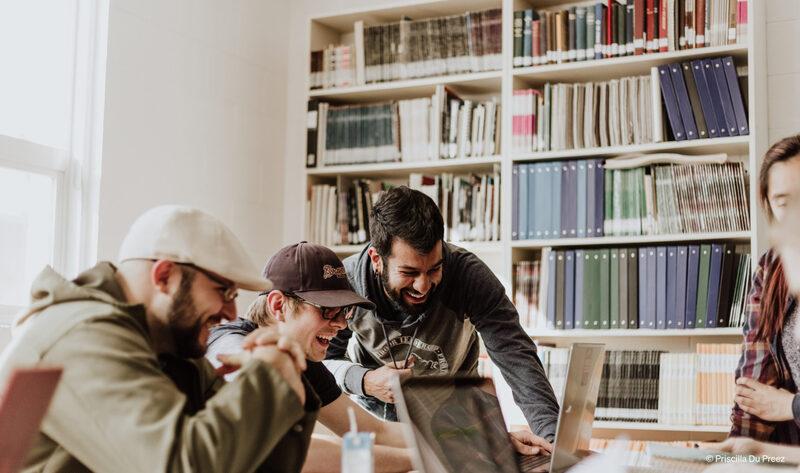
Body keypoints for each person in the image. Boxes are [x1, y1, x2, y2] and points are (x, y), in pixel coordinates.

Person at [0, 205, 315, 472]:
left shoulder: (170, 346)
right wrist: (267, 377)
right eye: (224, 291)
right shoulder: (81, 336)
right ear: (164, 276)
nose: (232, 313)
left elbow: (254, 464)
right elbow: (181, 465)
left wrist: (287, 383)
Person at [323, 186, 561, 448]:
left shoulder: (469, 276)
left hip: (457, 420)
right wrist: (365, 381)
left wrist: (553, 444)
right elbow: (323, 364)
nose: (423, 286)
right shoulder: (346, 283)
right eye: (409, 273)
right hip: (377, 426)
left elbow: (517, 357)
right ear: (377, 259)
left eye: (434, 269)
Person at [206, 241, 414, 473]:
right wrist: (418, 460)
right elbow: (292, 453)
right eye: (328, 309)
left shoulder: (302, 359)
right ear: (278, 305)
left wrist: (450, 438)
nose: (341, 324)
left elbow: (373, 431)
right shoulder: (229, 343)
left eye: (345, 311)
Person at [730, 134, 800, 444]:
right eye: (784, 202)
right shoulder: (771, 269)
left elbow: (776, 403)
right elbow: (754, 387)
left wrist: (789, 405)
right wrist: (734, 453)